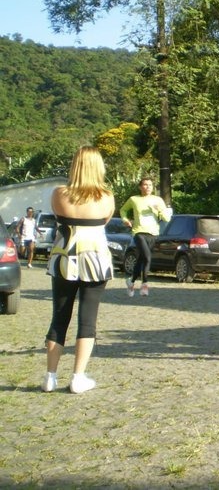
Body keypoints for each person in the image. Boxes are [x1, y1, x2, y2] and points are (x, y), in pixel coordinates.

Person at [42, 146, 115, 393]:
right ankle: (78, 377)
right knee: (87, 320)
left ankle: (50, 377)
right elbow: (104, 222)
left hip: (64, 258)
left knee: (59, 317)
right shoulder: (106, 197)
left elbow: (59, 218)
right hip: (94, 259)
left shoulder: (59, 194)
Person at [119, 177, 172, 297]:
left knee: (141, 259)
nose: (148, 187)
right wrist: (125, 220)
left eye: (150, 185)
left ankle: (131, 281)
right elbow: (123, 210)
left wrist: (160, 210)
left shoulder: (157, 200)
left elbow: (167, 218)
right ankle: (145, 284)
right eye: (145, 185)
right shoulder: (134, 199)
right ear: (140, 187)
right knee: (147, 257)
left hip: (153, 233)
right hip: (139, 232)